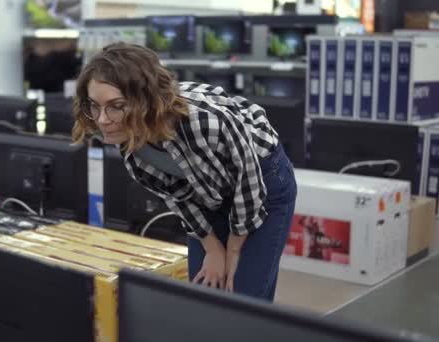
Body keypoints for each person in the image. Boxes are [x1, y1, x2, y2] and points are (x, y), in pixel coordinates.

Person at [72, 43, 297, 301]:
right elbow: (179, 195)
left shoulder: (203, 122)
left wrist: (233, 250)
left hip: (263, 180)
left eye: (116, 106)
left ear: (145, 100)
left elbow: (247, 181)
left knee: (242, 297)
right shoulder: (128, 143)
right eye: (94, 106)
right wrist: (213, 249)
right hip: (208, 193)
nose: (102, 120)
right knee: (203, 296)